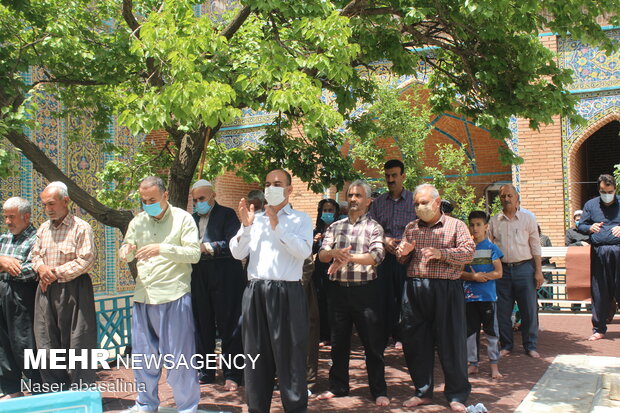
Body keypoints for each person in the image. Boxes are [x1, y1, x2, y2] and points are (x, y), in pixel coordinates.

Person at [230, 169, 312, 413]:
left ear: (289, 189)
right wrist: (246, 227)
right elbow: (237, 252)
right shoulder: (255, 221)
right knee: (255, 359)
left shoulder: (301, 219)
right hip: (256, 292)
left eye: (277, 183)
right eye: (267, 183)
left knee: (291, 360)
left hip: (287, 293)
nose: (270, 188)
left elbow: (304, 251)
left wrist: (278, 226)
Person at [119, 176, 201, 413]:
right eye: (144, 200)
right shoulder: (138, 222)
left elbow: (194, 254)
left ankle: (187, 407)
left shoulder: (183, 219)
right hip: (143, 296)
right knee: (143, 358)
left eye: (152, 199)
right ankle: (145, 403)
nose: (148, 204)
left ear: (165, 195)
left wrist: (162, 249)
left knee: (179, 360)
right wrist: (126, 251)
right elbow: (128, 247)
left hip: (174, 295)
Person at [396, 184, 475, 412]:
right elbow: (402, 260)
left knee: (451, 343)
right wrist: (403, 253)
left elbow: (468, 252)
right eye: (416, 204)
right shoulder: (411, 228)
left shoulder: (455, 225)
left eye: (424, 203)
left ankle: (457, 394)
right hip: (414, 290)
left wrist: (442, 253)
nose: (419, 207)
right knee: (416, 344)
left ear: (437, 202)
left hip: (446, 290)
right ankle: (422, 392)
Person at [317, 180, 388, 406]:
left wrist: (345, 257)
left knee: (373, 345)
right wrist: (334, 253)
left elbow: (376, 256)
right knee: (338, 344)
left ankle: (379, 390)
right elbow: (322, 254)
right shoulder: (335, 227)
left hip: (366, 292)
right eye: (350, 195)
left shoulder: (374, 228)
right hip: (338, 292)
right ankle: (338, 387)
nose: (353, 199)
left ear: (368, 201)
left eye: (358, 196)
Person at [30, 181, 97, 388]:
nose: (48, 209)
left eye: (51, 204)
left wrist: (53, 273)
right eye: (44, 205)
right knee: (46, 344)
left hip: (74, 290)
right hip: (45, 290)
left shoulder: (81, 228)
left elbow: (85, 260)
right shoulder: (43, 228)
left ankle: (81, 393)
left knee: (79, 344)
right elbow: (35, 255)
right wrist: (41, 269)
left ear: (65, 201)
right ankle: (56, 392)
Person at [190, 179, 245, 390]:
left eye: (202, 198)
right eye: (195, 200)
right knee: (201, 325)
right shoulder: (191, 219)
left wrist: (207, 247)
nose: (198, 203)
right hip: (199, 276)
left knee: (229, 326)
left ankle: (233, 374)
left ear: (213, 196)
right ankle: (205, 372)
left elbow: (233, 243)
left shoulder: (227, 214)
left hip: (226, 276)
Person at [488, 184, 543, 358]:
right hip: (502, 270)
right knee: (502, 311)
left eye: (510, 196)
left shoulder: (528, 218)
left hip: (525, 268)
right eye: (503, 196)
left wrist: (538, 271)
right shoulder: (494, 221)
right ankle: (507, 345)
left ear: (517, 197)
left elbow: (535, 246)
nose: (506, 199)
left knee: (529, 309)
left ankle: (530, 345)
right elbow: (489, 247)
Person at [368, 159, 416, 349]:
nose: (390, 179)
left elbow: (421, 226)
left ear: (403, 176)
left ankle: (408, 338)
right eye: (387, 176)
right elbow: (371, 228)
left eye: (394, 175)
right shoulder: (378, 203)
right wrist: (384, 240)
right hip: (385, 259)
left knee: (407, 299)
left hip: (408, 259)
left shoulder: (414, 200)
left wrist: (406, 245)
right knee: (385, 299)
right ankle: (388, 336)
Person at [0, 197, 42, 399]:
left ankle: (39, 390)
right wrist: (3, 261)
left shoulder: (37, 238)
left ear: (26, 216)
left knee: (25, 343)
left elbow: (30, 270)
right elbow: (12, 266)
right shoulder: (4, 239)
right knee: (3, 344)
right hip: (2, 291)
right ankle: (12, 390)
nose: (8, 221)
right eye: (5, 216)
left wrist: (7, 266)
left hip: (22, 295)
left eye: (12, 217)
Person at [461, 211, 503, 380]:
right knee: (470, 332)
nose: (475, 228)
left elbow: (499, 272)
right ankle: (473, 364)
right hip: (469, 298)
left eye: (479, 224)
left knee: (491, 332)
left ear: (486, 227)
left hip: (488, 298)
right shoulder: (465, 248)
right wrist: (473, 277)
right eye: (472, 224)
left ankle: (494, 365)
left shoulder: (492, 248)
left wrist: (483, 277)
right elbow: (458, 273)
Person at [578, 174, 620, 341]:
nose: (606, 194)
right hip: (599, 253)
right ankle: (599, 329)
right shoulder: (591, 205)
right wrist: (589, 227)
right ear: (599, 189)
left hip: (618, 251)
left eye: (609, 191)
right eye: (603, 191)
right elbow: (580, 225)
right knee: (600, 291)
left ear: (615, 189)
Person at [312, 198, 340, 344]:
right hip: (320, 271)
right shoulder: (317, 230)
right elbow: (310, 251)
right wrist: (315, 241)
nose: (327, 213)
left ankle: (335, 334)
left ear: (336, 213)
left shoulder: (341, 228)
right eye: (325, 210)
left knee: (335, 303)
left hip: (336, 270)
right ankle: (324, 335)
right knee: (321, 302)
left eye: (330, 210)